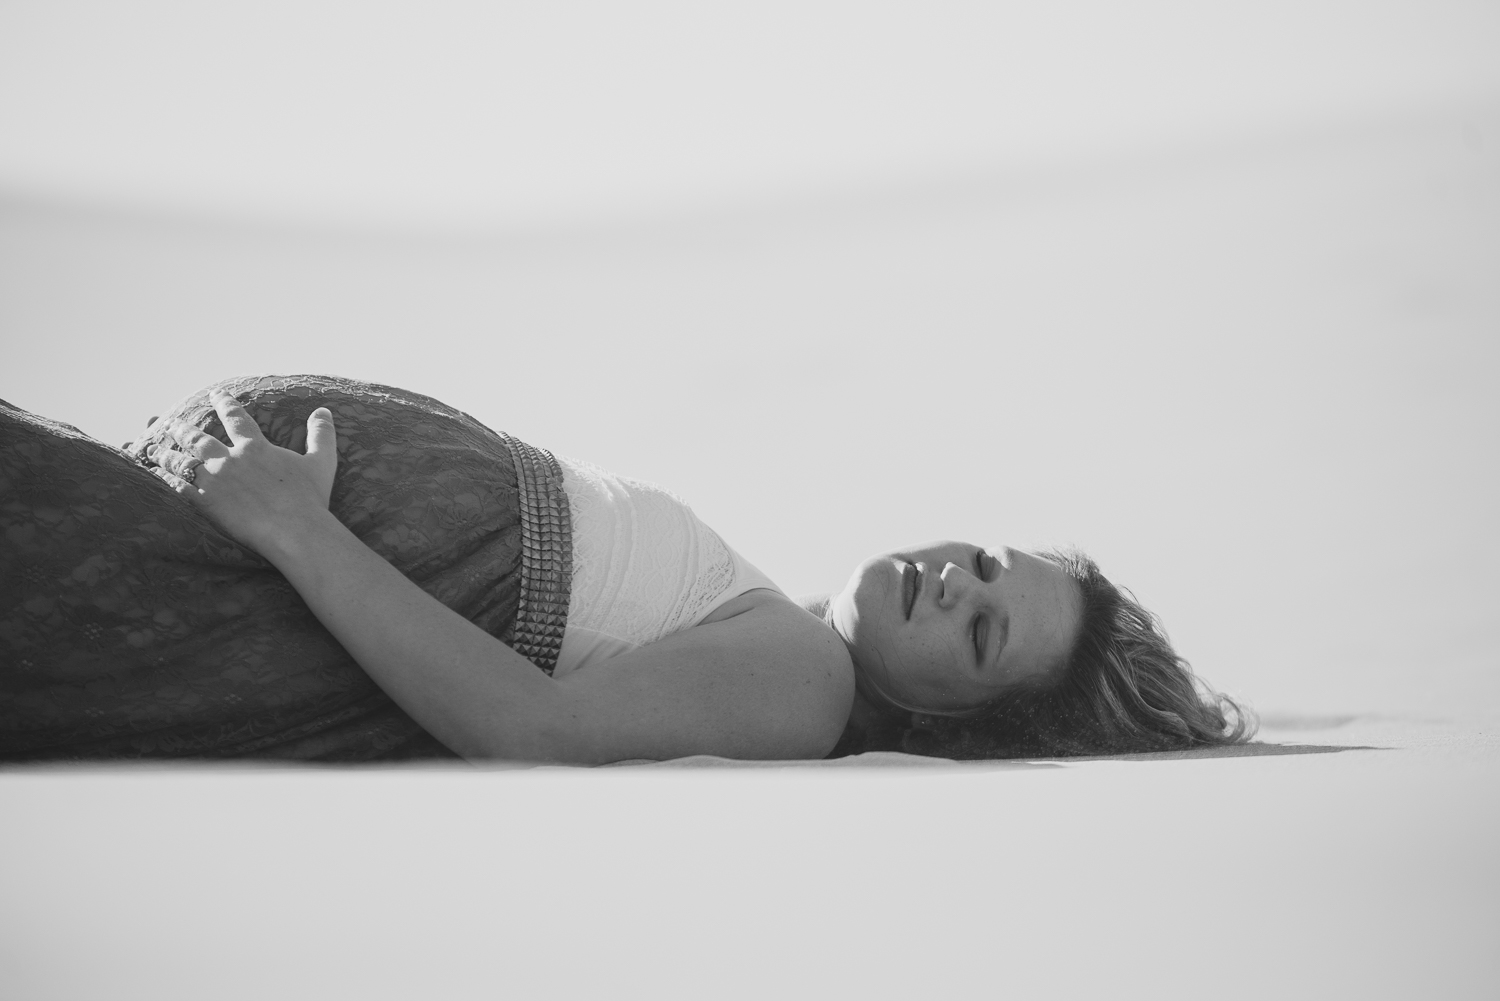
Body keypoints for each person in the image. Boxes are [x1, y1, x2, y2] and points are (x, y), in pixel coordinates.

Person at [0, 375, 1252, 763]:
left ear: (955, 722)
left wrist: (302, 531)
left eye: (983, 630)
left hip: (276, 545)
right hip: (257, 523)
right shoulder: (783, 629)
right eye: (985, 561)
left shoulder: (808, 684)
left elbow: (532, 729)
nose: (957, 581)